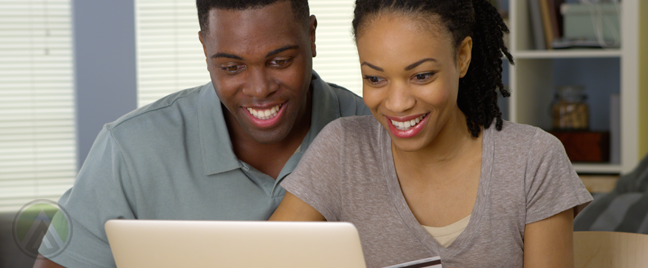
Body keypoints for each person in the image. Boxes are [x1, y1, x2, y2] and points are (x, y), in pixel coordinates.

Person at [33, 0, 370, 267]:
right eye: (231, 67)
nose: (259, 89)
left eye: (280, 61)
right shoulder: (129, 150)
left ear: (311, 37)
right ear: (204, 47)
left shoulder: (379, 131)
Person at [270, 0, 593, 267]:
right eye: (375, 79)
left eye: (422, 75)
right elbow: (261, 256)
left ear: (462, 56)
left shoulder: (533, 160)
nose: (397, 104)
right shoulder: (342, 149)